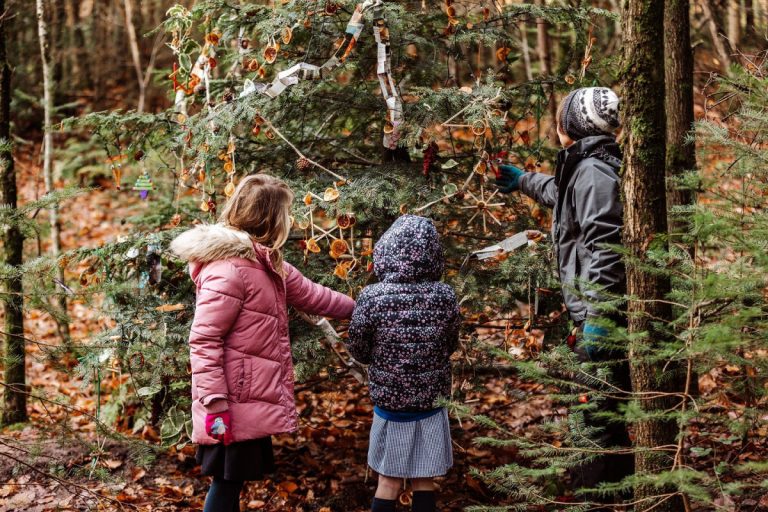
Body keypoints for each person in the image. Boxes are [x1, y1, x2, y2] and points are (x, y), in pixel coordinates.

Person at [170, 174, 355, 512]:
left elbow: (315, 295)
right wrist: (214, 402)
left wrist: (363, 308)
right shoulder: (229, 270)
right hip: (230, 401)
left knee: (231, 481)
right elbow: (204, 340)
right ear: (270, 219)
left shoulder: (267, 263)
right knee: (226, 483)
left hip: (247, 397)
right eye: (285, 213)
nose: (289, 220)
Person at [495, 87, 634, 499]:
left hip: (599, 319)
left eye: (561, 118)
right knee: (605, 419)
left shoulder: (592, 171)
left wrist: (599, 318)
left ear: (572, 126)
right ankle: (621, 496)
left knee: (591, 424)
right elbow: (561, 195)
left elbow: (606, 246)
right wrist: (523, 180)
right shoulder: (587, 165)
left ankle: (592, 502)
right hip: (592, 315)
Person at [346, 215, 460, 512]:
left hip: (391, 405)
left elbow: (358, 348)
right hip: (430, 402)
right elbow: (450, 344)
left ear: (385, 251)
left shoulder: (372, 296)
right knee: (424, 479)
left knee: (388, 481)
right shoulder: (445, 295)